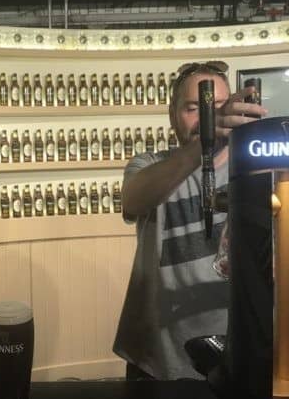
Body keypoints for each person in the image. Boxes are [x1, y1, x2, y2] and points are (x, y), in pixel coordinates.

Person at [113, 61, 267, 380]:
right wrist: (203, 143)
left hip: (238, 352)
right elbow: (133, 199)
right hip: (158, 357)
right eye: (196, 108)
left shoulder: (259, 171)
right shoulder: (151, 164)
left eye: (220, 107)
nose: (209, 116)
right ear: (173, 115)